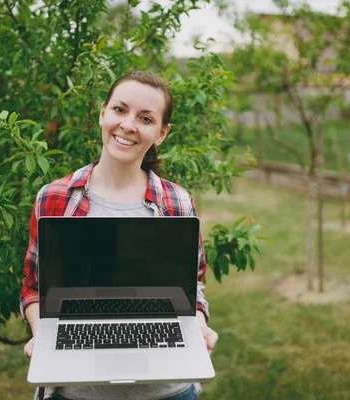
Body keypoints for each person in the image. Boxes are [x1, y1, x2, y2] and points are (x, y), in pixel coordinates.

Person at [20, 71, 218, 400]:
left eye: (145, 118)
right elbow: (32, 285)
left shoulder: (179, 202)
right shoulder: (53, 198)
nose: (128, 125)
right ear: (103, 112)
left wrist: (196, 322)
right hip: (75, 391)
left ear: (161, 133)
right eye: (120, 110)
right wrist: (44, 334)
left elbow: (192, 282)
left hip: (167, 391)